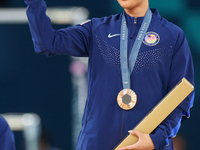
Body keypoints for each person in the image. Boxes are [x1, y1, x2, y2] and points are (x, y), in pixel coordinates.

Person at [24, 0, 195, 149]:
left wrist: (155, 139)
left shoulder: (172, 36)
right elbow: (47, 43)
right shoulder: (97, 30)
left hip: (147, 146)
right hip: (95, 145)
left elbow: (181, 97)